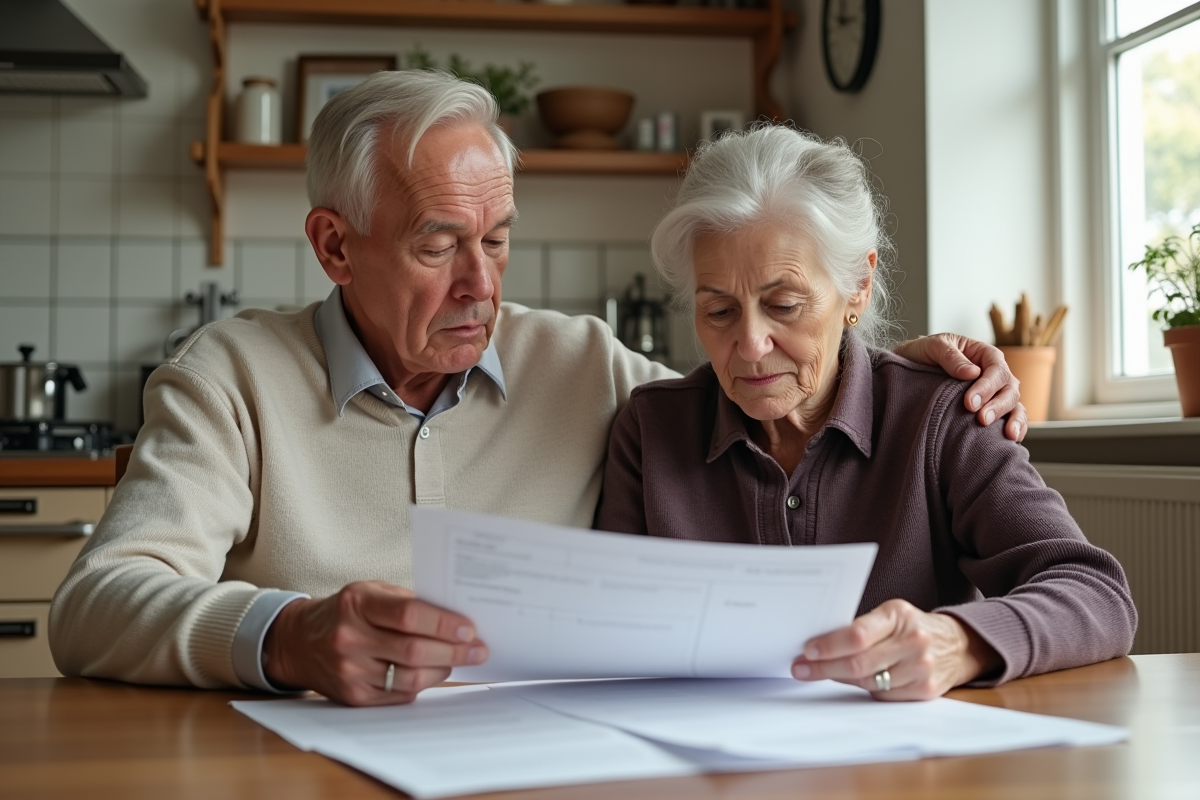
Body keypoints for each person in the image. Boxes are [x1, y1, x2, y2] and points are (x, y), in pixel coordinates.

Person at [50, 72, 1028, 707]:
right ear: (335, 246)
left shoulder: (586, 363)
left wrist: (907, 362)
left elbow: (764, 373)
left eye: (499, 238)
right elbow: (94, 604)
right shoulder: (229, 376)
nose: (483, 284)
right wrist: (285, 635)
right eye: (439, 244)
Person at [596, 125, 1137, 701]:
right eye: (720, 311)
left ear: (858, 286)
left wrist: (959, 641)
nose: (750, 344)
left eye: (783, 304)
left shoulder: (938, 416)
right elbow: (601, 624)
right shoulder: (652, 430)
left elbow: (1096, 592)